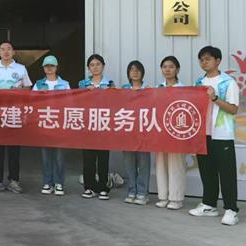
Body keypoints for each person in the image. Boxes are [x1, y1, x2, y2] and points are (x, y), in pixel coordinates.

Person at [189, 46, 241, 226]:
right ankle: (209, 204)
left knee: (226, 173)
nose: (204, 62)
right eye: (201, 59)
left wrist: (215, 98)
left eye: (208, 59)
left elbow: (233, 109)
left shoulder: (228, 82)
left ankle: (231, 209)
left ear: (218, 61)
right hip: (203, 133)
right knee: (207, 171)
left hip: (222, 134)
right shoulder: (199, 82)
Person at [0, 42, 32, 194]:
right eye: (3, 49)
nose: (6, 52)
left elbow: (28, 88)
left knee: (14, 149)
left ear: (13, 52)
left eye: (9, 49)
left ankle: (14, 180)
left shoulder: (21, 68)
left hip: (15, 113)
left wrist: (19, 90)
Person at [78, 54, 114, 200]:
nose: (95, 67)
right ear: (88, 68)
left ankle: (103, 188)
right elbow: (77, 101)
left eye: (98, 64)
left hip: (104, 124)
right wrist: (86, 92)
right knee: (88, 158)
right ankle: (89, 187)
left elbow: (116, 102)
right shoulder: (83, 84)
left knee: (103, 158)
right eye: (92, 65)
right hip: (88, 125)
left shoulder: (110, 84)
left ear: (103, 66)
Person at [32, 55, 70, 196]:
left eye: (52, 65)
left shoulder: (64, 84)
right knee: (46, 156)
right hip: (44, 124)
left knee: (59, 156)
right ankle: (47, 182)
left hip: (59, 124)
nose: (49, 68)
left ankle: (59, 183)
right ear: (43, 68)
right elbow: (32, 103)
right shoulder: (38, 84)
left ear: (56, 67)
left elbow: (70, 103)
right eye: (46, 66)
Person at [154, 56, 187, 210]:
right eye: (164, 67)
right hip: (160, 131)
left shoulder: (184, 89)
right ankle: (163, 196)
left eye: (171, 66)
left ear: (177, 69)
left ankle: (176, 198)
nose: (167, 70)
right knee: (161, 164)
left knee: (176, 164)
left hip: (176, 131)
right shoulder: (157, 88)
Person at [120, 60, 150, 205]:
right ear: (128, 73)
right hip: (127, 131)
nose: (135, 72)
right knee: (129, 163)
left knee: (143, 163)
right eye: (132, 69)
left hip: (144, 132)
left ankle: (143, 193)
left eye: (138, 70)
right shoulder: (123, 90)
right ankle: (132, 191)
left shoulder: (148, 90)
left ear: (142, 73)